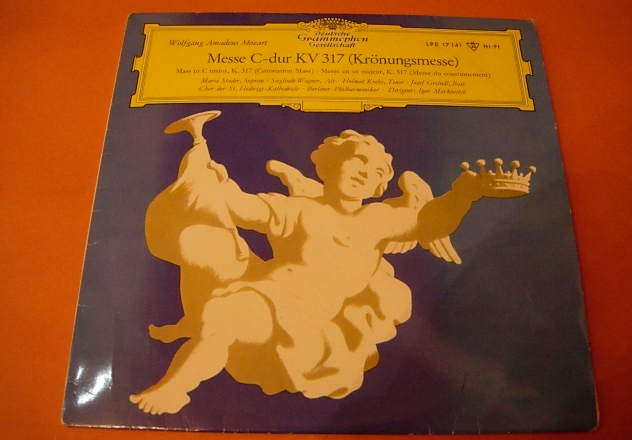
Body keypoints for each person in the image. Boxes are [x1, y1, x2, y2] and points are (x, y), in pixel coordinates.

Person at [130, 128, 485, 415]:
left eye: (376, 172)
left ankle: (178, 383)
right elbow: (241, 208)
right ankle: (174, 389)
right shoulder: (299, 211)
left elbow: (431, 221)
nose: (364, 172)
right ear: (330, 166)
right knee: (222, 319)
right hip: (271, 293)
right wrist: (210, 180)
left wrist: (463, 195)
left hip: (313, 317)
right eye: (356, 160)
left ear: (379, 187)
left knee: (225, 322)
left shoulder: (379, 221)